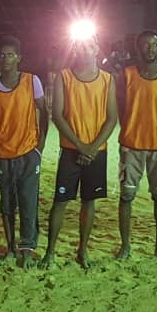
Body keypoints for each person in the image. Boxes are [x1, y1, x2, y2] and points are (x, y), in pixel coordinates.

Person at [43, 34, 117, 269]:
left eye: (89, 45)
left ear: (96, 49)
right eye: (80, 46)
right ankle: (50, 252)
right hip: (71, 150)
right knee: (60, 201)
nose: (84, 49)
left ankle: (82, 251)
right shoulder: (64, 76)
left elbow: (112, 118)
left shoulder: (107, 79)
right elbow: (57, 115)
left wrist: (92, 147)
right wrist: (81, 145)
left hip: (96, 151)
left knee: (89, 202)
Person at [0, 36, 49, 268]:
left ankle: (27, 249)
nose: (6, 58)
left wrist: (39, 147)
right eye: (2, 54)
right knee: (7, 205)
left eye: (10, 54)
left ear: (19, 57)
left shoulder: (31, 81)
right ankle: (11, 247)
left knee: (28, 203)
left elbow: (44, 112)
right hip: (2, 154)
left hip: (28, 152)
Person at [115, 31, 157, 260]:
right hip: (132, 144)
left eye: (154, 44)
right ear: (137, 48)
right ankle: (125, 246)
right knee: (126, 196)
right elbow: (121, 108)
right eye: (145, 45)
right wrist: (131, 129)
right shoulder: (127, 74)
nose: (150, 48)